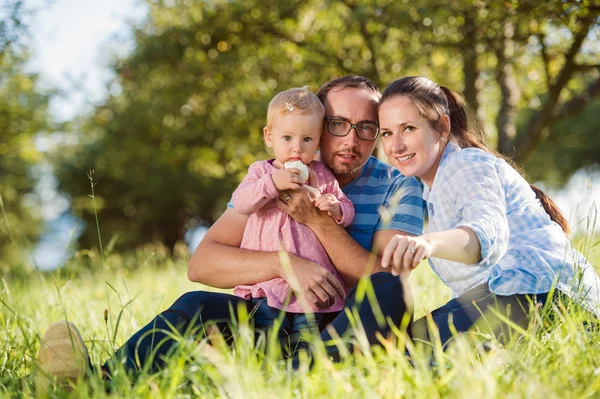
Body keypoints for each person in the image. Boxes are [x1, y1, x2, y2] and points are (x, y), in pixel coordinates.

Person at [37, 76, 425, 381]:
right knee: (196, 304)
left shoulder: (398, 184)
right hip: (264, 317)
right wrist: (283, 263)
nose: (351, 139)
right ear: (320, 126)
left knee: (393, 287)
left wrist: (317, 220)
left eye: (367, 128)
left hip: (333, 329)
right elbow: (202, 264)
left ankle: (302, 376)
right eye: (338, 124)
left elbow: (383, 280)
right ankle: (98, 381)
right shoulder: (270, 175)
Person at [377, 76, 600, 346]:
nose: (395, 146)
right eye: (387, 133)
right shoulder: (434, 190)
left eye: (408, 128)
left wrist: (427, 243)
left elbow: (486, 233)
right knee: (401, 347)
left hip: (544, 296)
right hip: (518, 296)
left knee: (409, 352)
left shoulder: (466, 164)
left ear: (442, 128)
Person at [231, 86, 355, 348]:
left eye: (307, 140)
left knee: (305, 344)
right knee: (265, 344)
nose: (296, 148)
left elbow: (346, 206)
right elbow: (241, 203)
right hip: (267, 289)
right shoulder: (261, 172)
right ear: (269, 137)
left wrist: (335, 207)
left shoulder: (321, 175)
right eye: (287, 138)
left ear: (318, 140)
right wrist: (273, 183)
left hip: (310, 293)